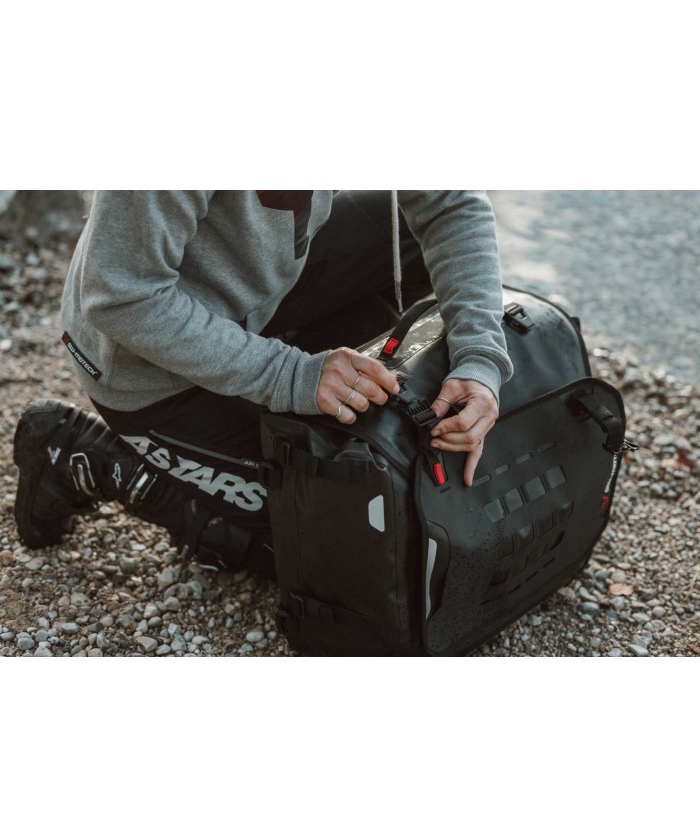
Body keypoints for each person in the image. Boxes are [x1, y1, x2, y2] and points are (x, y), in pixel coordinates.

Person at [13, 190, 514, 576]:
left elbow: (451, 201)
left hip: (268, 287)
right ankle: (86, 457)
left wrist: (479, 358)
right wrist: (291, 374)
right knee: (354, 556)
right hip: (147, 365)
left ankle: (320, 393)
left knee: (413, 237)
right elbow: (120, 297)